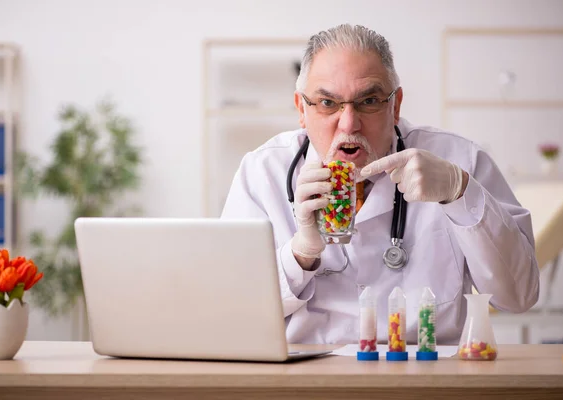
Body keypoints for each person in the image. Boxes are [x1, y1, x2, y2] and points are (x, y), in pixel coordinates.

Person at [221, 24, 539, 344]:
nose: (349, 124)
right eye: (328, 103)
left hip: (426, 379)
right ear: (301, 109)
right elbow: (231, 313)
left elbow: (519, 297)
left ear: (395, 105)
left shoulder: (461, 159)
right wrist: (300, 254)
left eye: (369, 100)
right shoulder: (262, 172)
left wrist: (461, 193)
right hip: (309, 383)